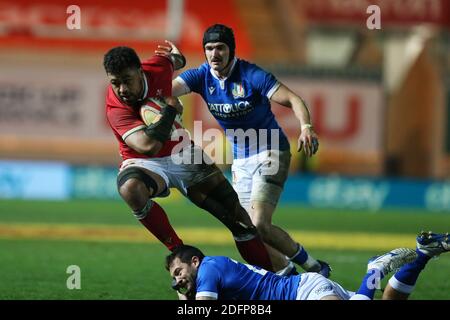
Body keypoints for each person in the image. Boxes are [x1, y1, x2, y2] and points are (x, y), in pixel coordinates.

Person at [170, 24, 327, 276]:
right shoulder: (201, 76)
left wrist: (306, 126)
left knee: (259, 224)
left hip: (271, 150)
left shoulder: (251, 75)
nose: (214, 54)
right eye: (209, 48)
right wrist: (170, 68)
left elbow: (294, 99)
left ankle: (314, 267)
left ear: (231, 50)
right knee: (246, 230)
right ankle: (287, 273)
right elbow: (162, 91)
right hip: (241, 160)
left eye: (220, 47)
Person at [103, 42, 275, 271]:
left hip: (182, 151)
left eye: (127, 80)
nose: (122, 89)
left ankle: (270, 282)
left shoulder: (158, 66)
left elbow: (176, 60)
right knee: (130, 188)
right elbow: (148, 146)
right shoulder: (115, 107)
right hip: (144, 162)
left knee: (238, 219)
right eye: (115, 83)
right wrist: (171, 110)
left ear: (140, 71)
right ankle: (178, 250)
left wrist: (177, 57)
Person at [165, 231, 449, 300]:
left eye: (178, 272)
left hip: (302, 291)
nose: (177, 279)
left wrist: (182, 292)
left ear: (195, 261)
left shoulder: (209, 270)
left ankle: (375, 269)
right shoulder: (208, 272)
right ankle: (423, 253)